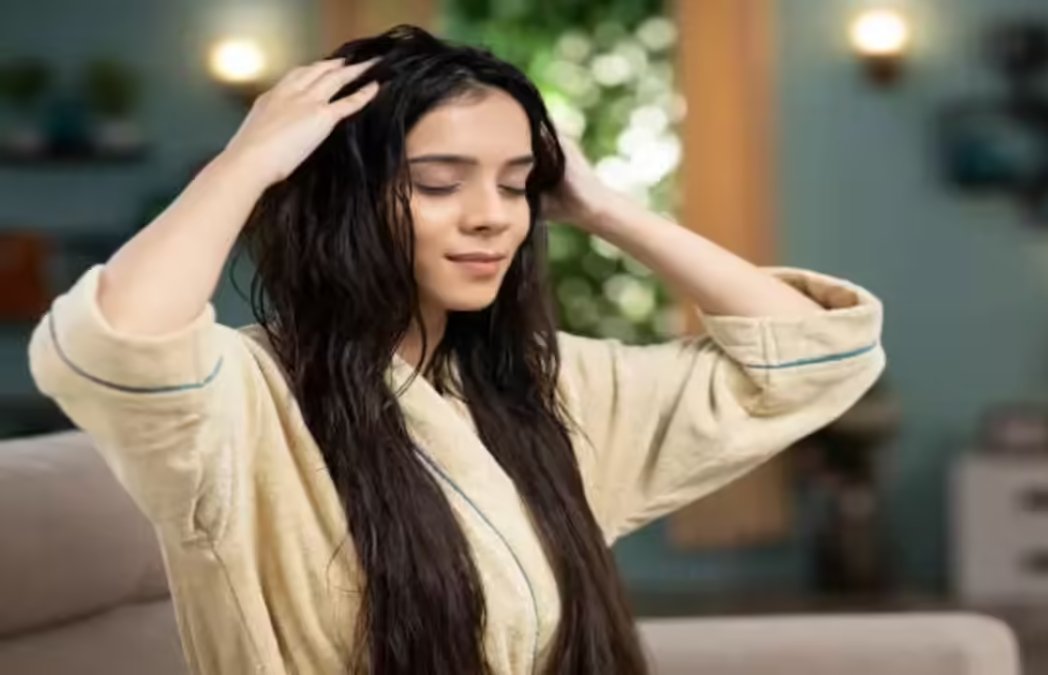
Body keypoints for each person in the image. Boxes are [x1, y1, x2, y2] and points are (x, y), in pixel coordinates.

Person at [28, 24, 884, 675]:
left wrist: (604, 207)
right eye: (438, 183)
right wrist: (245, 164)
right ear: (344, 201)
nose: (493, 216)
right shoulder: (245, 402)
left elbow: (816, 357)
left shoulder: (549, 390)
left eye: (517, 184)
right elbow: (114, 348)